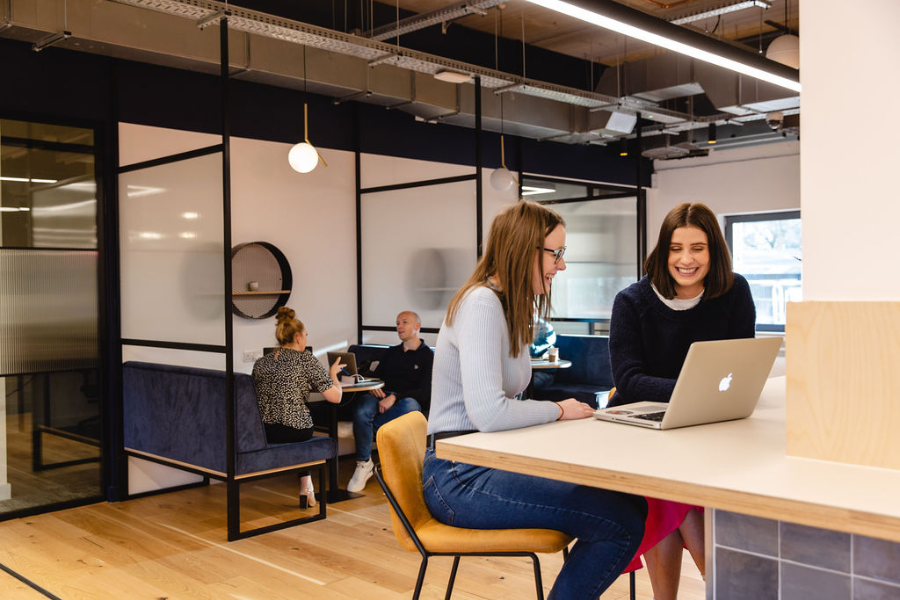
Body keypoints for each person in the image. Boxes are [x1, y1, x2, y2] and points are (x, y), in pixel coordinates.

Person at [424, 201, 647, 600]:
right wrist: (560, 410)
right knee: (621, 521)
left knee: (627, 503)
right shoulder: (481, 304)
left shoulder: (507, 305)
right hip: (459, 476)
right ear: (524, 248)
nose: (561, 266)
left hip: (484, 461)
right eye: (556, 254)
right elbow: (489, 413)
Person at [608, 202, 756, 600]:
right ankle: (726, 590)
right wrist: (697, 389)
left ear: (714, 252)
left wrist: (703, 395)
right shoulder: (632, 301)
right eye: (676, 248)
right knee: (678, 496)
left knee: (682, 494)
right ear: (662, 250)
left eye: (698, 248)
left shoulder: (734, 291)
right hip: (641, 429)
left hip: (706, 425)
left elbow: (741, 365)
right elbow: (629, 381)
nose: (686, 259)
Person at [252, 306, 345, 509]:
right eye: (305, 335)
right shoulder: (305, 360)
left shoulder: (261, 362)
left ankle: (306, 486)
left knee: (300, 418)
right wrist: (333, 375)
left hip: (264, 430)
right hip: (294, 430)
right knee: (306, 422)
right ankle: (307, 487)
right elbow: (335, 397)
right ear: (297, 337)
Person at [346, 310, 434, 493]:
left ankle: (367, 431)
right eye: (397, 323)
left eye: (404, 322)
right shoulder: (391, 352)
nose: (399, 327)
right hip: (381, 396)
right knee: (362, 407)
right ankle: (364, 463)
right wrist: (371, 386)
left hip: (405, 400)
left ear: (417, 326)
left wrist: (395, 397)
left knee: (411, 407)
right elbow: (375, 377)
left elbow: (425, 392)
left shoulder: (427, 356)